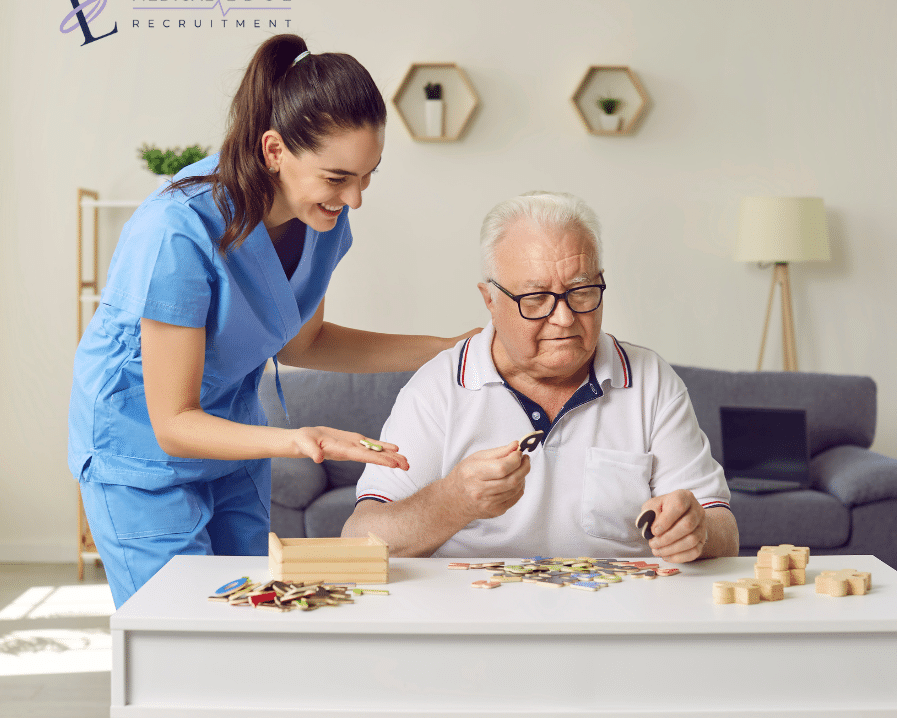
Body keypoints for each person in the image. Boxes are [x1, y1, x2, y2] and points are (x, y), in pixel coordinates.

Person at [69, 34, 476, 607]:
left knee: (249, 616)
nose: (355, 199)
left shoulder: (322, 222)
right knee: (183, 629)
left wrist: (449, 347)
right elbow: (173, 422)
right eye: (337, 178)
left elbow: (302, 342)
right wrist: (298, 439)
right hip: (140, 451)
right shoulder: (176, 233)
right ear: (274, 150)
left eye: (367, 176)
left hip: (230, 436)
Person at [345, 191, 739, 562]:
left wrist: (697, 531)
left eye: (582, 291)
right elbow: (358, 540)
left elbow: (724, 531)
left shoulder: (650, 380)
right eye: (535, 299)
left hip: (616, 621)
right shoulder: (438, 387)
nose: (564, 319)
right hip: (478, 622)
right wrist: (452, 501)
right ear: (490, 300)